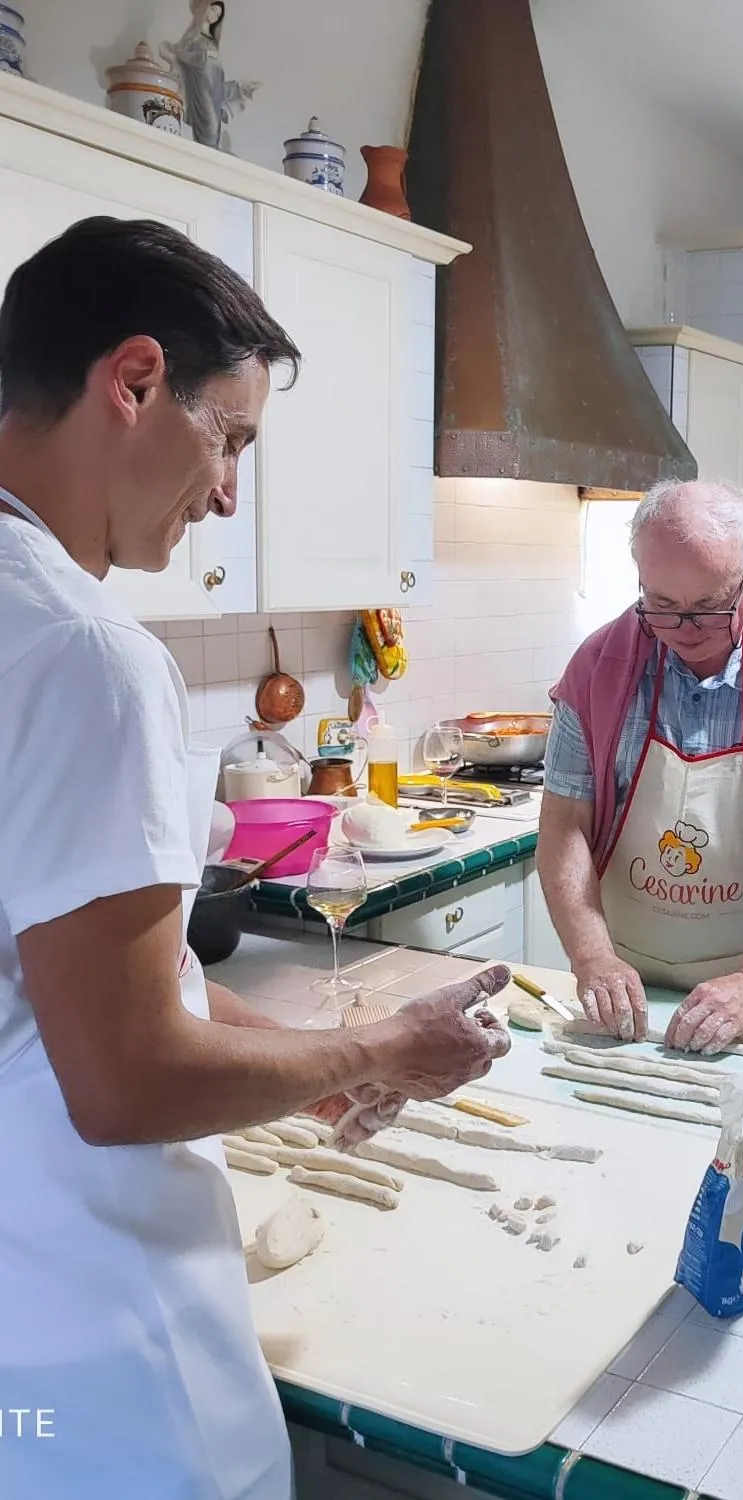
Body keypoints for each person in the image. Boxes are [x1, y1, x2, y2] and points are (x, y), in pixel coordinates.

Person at [0, 217, 510, 1500]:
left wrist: (291, 1069)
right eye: (227, 436)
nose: (228, 492)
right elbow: (123, 1075)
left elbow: (91, 982)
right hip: (100, 1357)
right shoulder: (81, 654)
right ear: (132, 382)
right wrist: (381, 1050)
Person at [538, 479, 743, 1054]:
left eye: (708, 609)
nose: (685, 632)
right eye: (662, 606)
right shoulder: (598, 668)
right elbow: (565, 825)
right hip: (624, 985)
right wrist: (592, 956)